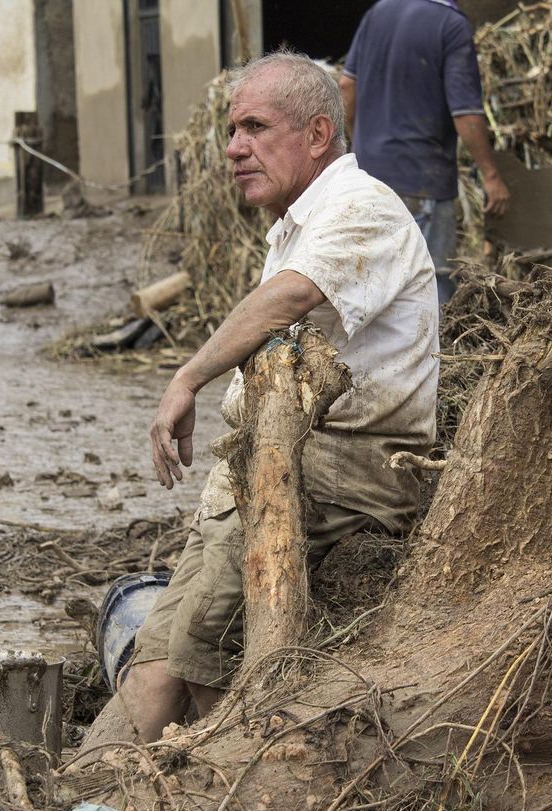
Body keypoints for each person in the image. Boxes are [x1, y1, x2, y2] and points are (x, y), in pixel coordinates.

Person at [77, 50, 439, 752]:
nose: (235, 148)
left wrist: (187, 378)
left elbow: (293, 297)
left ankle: (188, 786)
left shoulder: (362, 208)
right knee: (155, 651)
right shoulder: (298, 222)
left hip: (340, 467)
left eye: (254, 127)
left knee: (196, 652)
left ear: (317, 134)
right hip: (263, 463)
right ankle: (84, 790)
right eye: (231, 130)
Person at [339, 0, 511, 304]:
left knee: (373, 287)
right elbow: (466, 115)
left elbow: (346, 87)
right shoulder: (451, 24)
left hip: (367, 182)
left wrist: (359, 145)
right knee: (430, 293)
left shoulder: (377, 13)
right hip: (422, 182)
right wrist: (492, 176)